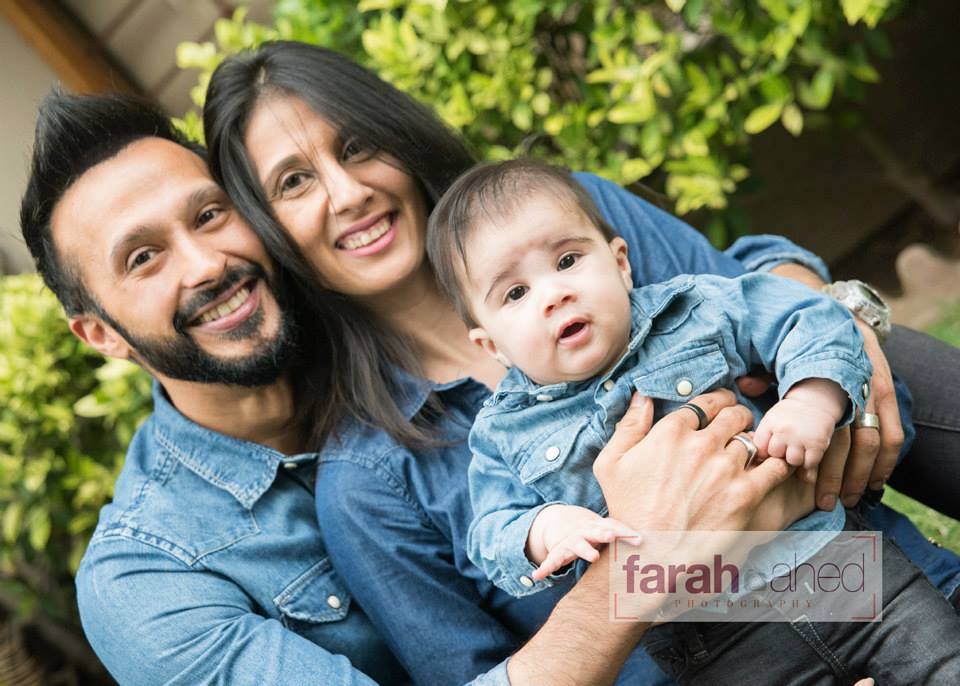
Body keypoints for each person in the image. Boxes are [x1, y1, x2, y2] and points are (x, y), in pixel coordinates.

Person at [202, 41, 960, 685]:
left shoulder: (567, 213)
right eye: (294, 183)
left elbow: (744, 288)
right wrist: (608, 545)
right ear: (270, 228)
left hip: (860, 570)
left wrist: (830, 331)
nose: (348, 193)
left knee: (876, 350)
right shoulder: (370, 484)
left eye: (356, 146)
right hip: (723, 658)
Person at [21, 91, 816, 686]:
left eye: (209, 214)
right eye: (142, 258)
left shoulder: (465, 312)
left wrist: (833, 320)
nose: (204, 265)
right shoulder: (149, 579)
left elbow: (745, 293)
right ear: (100, 334)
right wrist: (642, 557)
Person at [426, 158, 960, 684]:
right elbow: (492, 533)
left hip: (834, 565)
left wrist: (810, 399)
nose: (553, 293)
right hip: (716, 641)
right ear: (491, 345)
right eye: (515, 294)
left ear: (620, 263)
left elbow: (804, 315)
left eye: (567, 260)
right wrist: (546, 530)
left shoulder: (691, 308)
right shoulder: (502, 434)